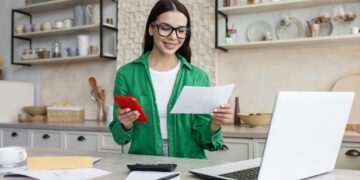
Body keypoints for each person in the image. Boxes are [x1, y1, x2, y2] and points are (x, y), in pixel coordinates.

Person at [109, 0, 233, 159]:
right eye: (165, 28)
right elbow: (120, 138)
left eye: (181, 30)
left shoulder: (198, 77)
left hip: (188, 163)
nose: (173, 37)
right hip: (145, 163)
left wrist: (215, 124)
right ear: (151, 28)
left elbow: (205, 141)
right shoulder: (126, 74)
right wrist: (126, 124)